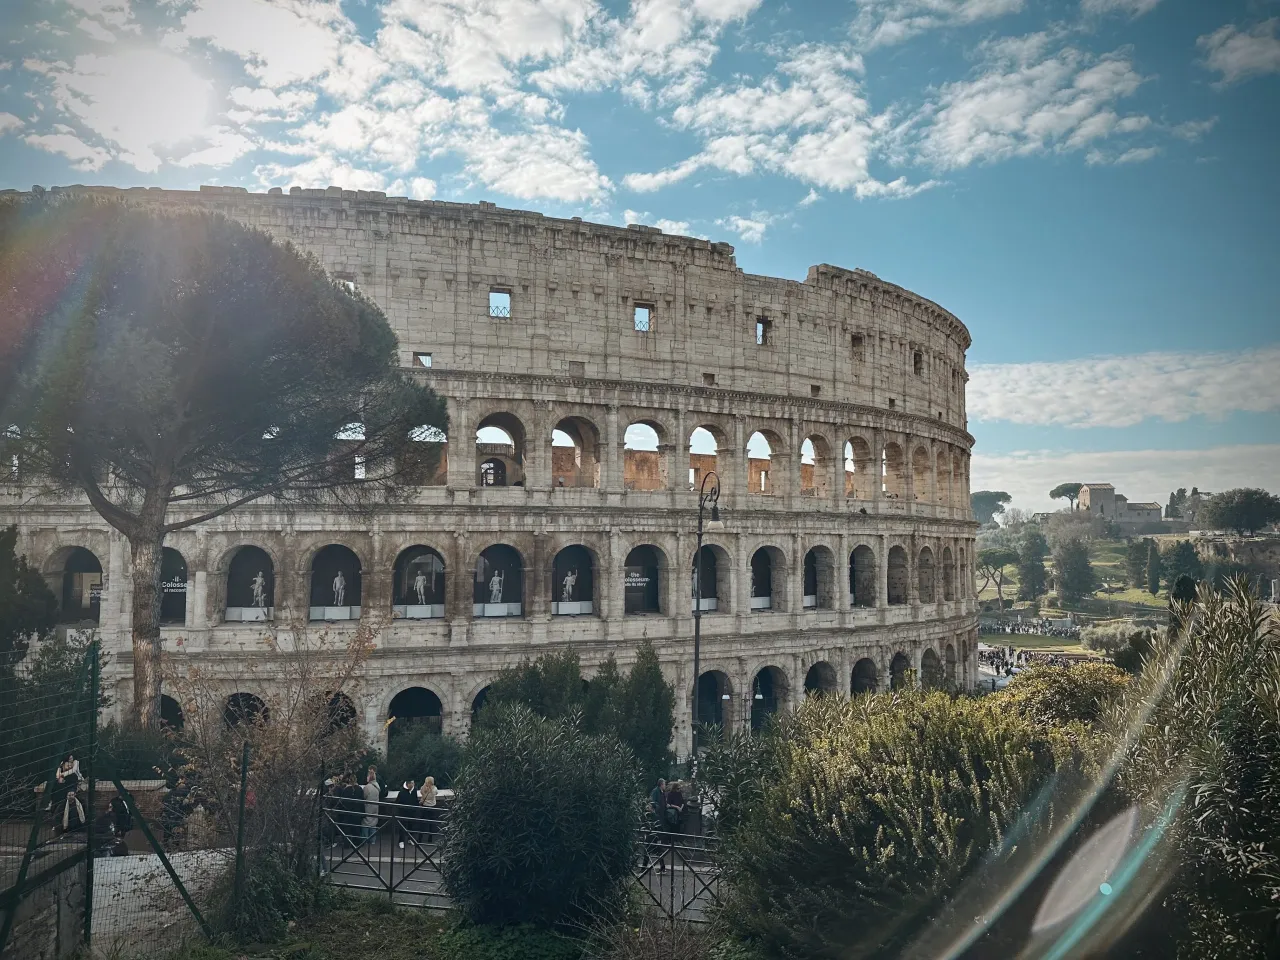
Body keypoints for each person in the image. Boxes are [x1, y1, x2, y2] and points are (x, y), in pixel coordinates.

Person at [646, 778, 668, 873]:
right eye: (664, 784)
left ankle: (644, 868)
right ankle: (661, 867)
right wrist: (657, 808)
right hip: (656, 821)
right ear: (661, 784)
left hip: (659, 822)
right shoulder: (656, 792)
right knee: (653, 846)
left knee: (651, 846)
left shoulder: (661, 792)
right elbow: (653, 802)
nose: (665, 785)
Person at [361, 767, 381, 847]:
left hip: (368, 807)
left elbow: (364, 796)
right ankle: (373, 840)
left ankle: (365, 840)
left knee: (366, 823)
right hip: (375, 807)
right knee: (373, 823)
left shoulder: (367, 787)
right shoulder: (377, 786)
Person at [397, 779, 419, 849]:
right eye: (411, 783)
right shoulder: (401, 792)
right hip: (403, 812)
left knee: (411, 826)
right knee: (402, 827)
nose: (413, 785)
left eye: (413, 783)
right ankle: (401, 841)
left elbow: (415, 800)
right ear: (407, 784)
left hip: (412, 812)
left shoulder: (414, 790)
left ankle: (410, 839)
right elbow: (398, 802)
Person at [419, 776, 439, 844]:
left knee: (423, 823)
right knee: (431, 823)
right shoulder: (434, 789)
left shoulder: (424, 788)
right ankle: (430, 838)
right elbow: (436, 793)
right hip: (432, 806)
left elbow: (421, 792)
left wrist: (425, 791)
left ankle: (420, 838)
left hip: (425, 806)